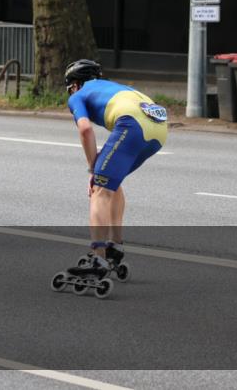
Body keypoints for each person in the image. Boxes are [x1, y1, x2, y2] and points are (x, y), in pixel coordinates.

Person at [62, 59, 168, 281]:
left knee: (100, 188)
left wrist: (93, 169)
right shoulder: (114, 86)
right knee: (111, 182)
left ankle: (97, 256)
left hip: (132, 124)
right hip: (158, 129)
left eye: (70, 86)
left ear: (75, 84)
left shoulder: (77, 96)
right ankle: (115, 246)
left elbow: (85, 129)